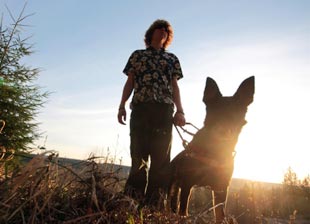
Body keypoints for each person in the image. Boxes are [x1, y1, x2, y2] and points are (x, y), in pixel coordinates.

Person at [117, 19, 186, 207]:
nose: (163, 31)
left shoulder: (172, 59)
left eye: (166, 30)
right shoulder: (137, 56)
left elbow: (175, 86)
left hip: (163, 112)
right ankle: (132, 202)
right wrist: (122, 105)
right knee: (138, 156)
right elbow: (130, 82)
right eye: (160, 28)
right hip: (140, 110)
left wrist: (180, 111)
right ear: (151, 33)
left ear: (168, 36)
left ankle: (153, 206)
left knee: (161, 160)